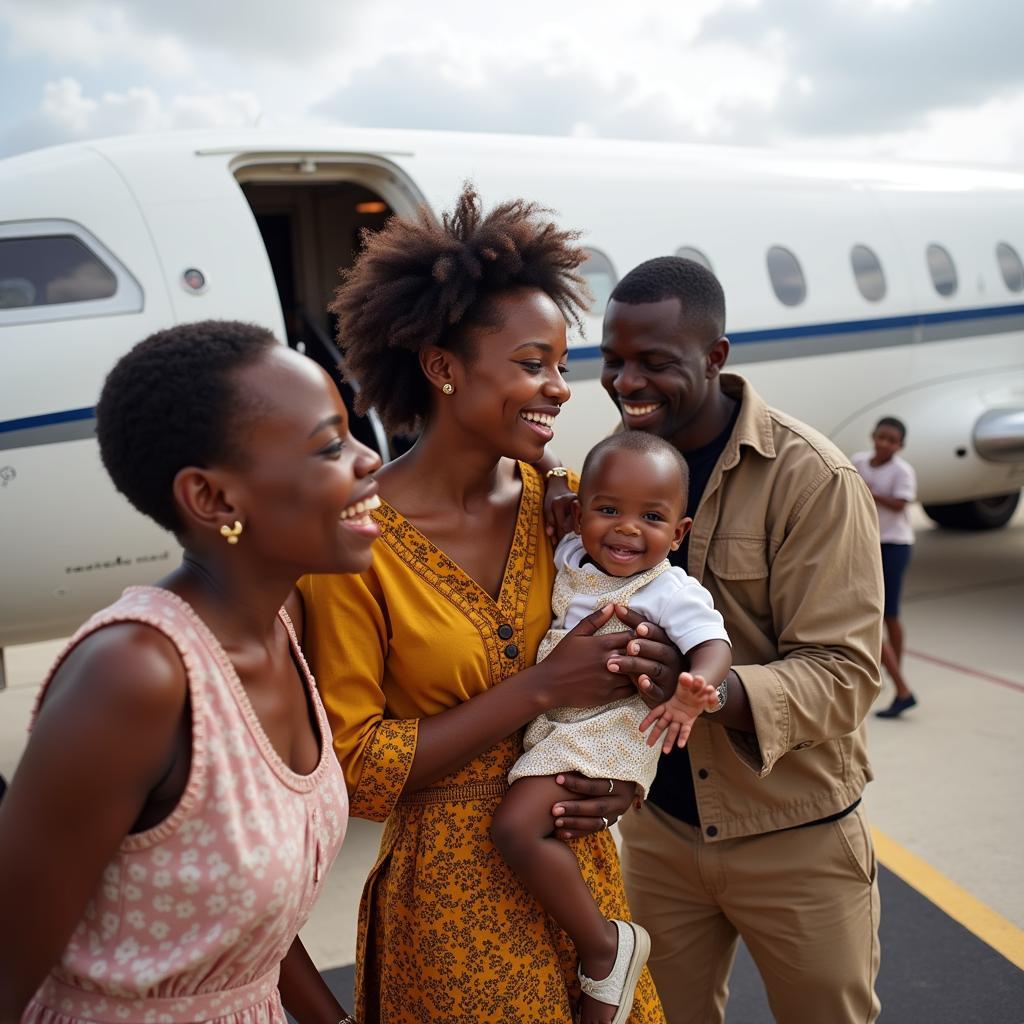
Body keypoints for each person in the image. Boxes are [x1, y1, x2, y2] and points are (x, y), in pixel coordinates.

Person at [298, 187, 671, 1024]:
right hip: (449, 906)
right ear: (442, 367)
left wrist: (622, 773)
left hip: (582, 882)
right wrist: (538, 690)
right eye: (534, 363)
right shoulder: (355, 547)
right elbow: (360, 768)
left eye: (562, 366)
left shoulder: (570, 506)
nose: (561, 388)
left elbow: (642, 643)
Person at [0, 321, 375, 1024]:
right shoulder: (137, 676)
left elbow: (238, 920)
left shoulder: (281, 626)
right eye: (332, 446)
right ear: (213, 500)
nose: (368, 460)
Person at [594, 257, 884, 1024]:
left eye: (654, 363)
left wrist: (706, 691)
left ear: (716, 357)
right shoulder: (616, 470)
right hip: (658, 830)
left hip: (795, 837)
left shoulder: (811, 477)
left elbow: (848, 675)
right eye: (613, 360)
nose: (627, 383)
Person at [491, 430, 731, 1024]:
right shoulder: (572, 551)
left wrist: (694, 689)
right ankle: (596, 940)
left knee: (516, 829)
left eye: (652, 517)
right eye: (608, 510)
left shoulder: (666, 588)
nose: (627, 529)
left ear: (679, 534)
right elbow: (549, 460)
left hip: (609, 726)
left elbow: (713, 641)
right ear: (578, 513)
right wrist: (550, 476)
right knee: (532, 828)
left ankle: (604, 947)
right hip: (558, 718)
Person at [852, 417, 918, 717]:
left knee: (885, 616)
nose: (885, 443)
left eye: (892, 440)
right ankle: (895, 679)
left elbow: (901, 504)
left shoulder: (902, 471)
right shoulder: (859, 461)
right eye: (881, 437)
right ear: (872, 436)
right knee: (876, 616)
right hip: (868, 544)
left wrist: (870, 491)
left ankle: (897, 680)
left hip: (894, 546)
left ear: (900, 445)